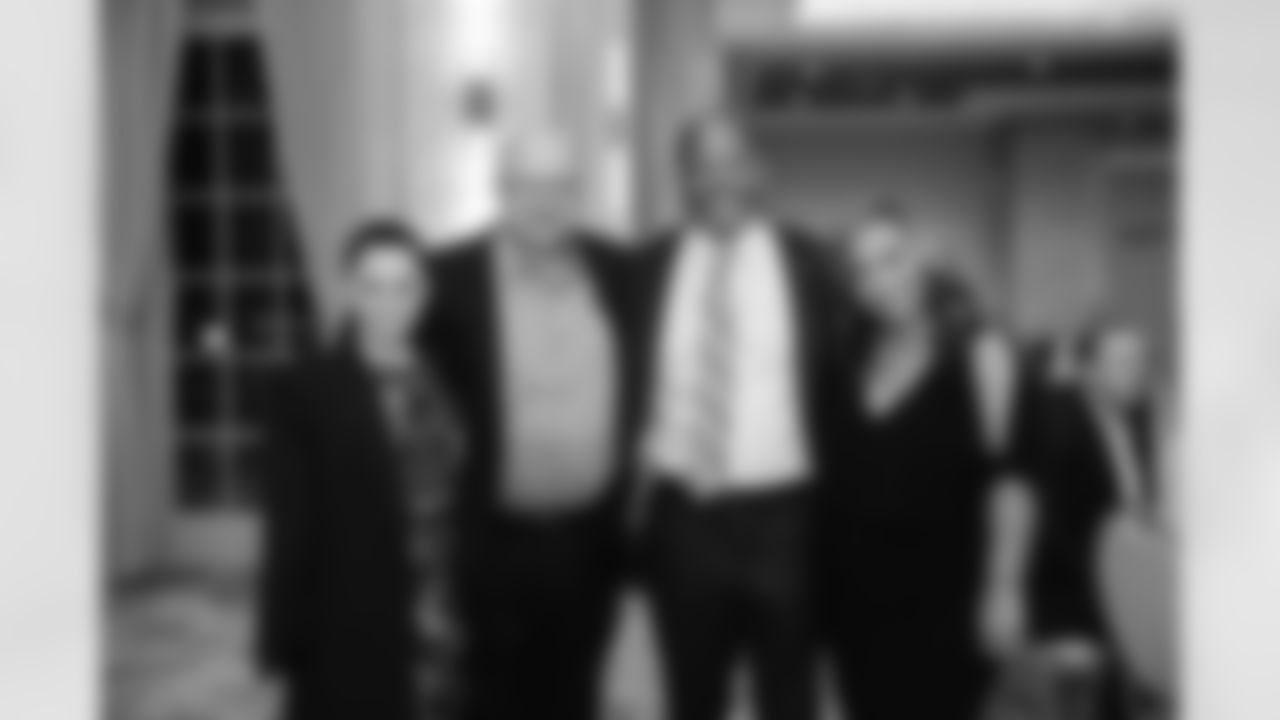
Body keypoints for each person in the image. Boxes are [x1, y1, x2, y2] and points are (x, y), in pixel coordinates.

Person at [625, 112, 849, 720]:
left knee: (790, 698)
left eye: (734, 161)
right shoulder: (645, 269)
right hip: (683, 518)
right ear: (685, 179)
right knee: (692, 697)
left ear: (759, 171)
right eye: (703, 164)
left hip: (786, 521)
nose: (720, 177)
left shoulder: (813, 263)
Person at [421, 134, 634, 720]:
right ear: (502, 190)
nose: (546, 201)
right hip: (492, 540)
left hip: (590, 542)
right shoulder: (448, 277)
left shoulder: (619, 271)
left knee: (575, 695)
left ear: (578, 194)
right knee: (491, 699)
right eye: (529, 185)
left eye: (561, 185)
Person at [815, 202, 1038, 720]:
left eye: (891, 258)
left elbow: (1011, 478)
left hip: (947, 602)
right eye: (861, 271)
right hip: (857, 609)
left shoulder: (982, 352)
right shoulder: (847, 358)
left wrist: (1004, 588)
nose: (879, 281)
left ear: (924, 257)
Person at [257, 220, 468, 720]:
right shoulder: (304, 390)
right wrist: (280, 636)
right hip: (351, 618)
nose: (388, 303)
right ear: (350, 292)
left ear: (424, 293)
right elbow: (290, 526)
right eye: (372, 286)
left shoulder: (453, 376)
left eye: (403, 286)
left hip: (449, 606)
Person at [1029, 321, 1167, 720]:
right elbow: (1052, 525)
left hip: (1129, 591)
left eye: (1140, 361)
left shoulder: (1141, 415)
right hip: (1075, 595)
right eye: (1122, 362)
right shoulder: (1057, 421)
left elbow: (1140, 493)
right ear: (1089, 369)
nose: (1136, 372)